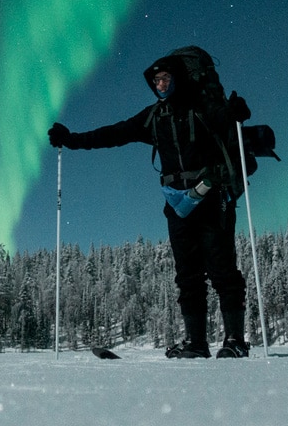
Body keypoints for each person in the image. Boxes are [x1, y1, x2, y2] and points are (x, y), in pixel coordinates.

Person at [48, 49, 254, 358]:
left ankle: (235, 341)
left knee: (222, 268)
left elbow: (227, 118)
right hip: (177, 204)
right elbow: (113, 133)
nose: (160, 85)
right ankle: (196, 343)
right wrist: (72, 139)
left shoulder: (203, 107)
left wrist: (235, 111)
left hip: (212, 198)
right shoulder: (154, 117)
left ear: (178, 79)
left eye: (165, 78)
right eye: (156, 81)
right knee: (187, 274)